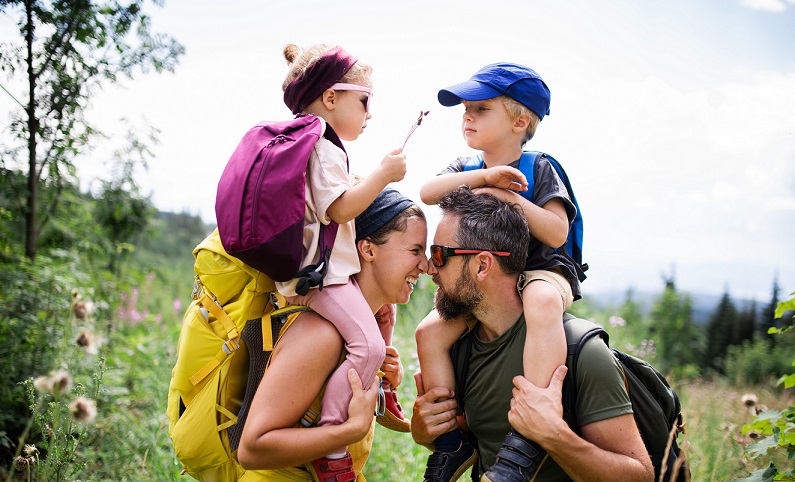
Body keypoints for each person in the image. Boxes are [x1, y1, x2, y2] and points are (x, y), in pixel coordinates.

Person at [412, 186, 653, 482]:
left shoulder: (581, 352)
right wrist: (428, 433)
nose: (428, 268)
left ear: (482, 265)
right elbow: (478, 440)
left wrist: (554, 436)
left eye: (439, 255)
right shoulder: (459, 350)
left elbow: (640, 476)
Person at [415, 63, 583, 482]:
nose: (466, 116)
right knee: (428, 333)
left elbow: (557, 231)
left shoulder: (541, 167)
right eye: (465, 109)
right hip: (489, 278)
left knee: (541, 301)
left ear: (520, 120)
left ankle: (530, 429)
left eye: (480, 108)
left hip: (543, 269)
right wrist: (484, 178)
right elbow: (427, 192)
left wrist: (501, 196)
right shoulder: (467, 167)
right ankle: (453, 438)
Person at [273, 43, 410, 480]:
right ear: (331, 98)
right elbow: (339, 209)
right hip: (323, 276)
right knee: (367, 345)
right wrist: (383, 176)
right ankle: (332, 443)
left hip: (332, 271)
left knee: (383, 312)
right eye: (364, 101)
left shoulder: (317, 142)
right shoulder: (322, 147)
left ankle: (379, 385)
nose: (369, 114)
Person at [238, 187, 428, 481]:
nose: (425, 265)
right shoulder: (322, 334)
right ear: (368, 250)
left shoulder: (362, 336)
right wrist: (346, 432)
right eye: (415, 250)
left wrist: (380, 385)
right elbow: (252, 448)